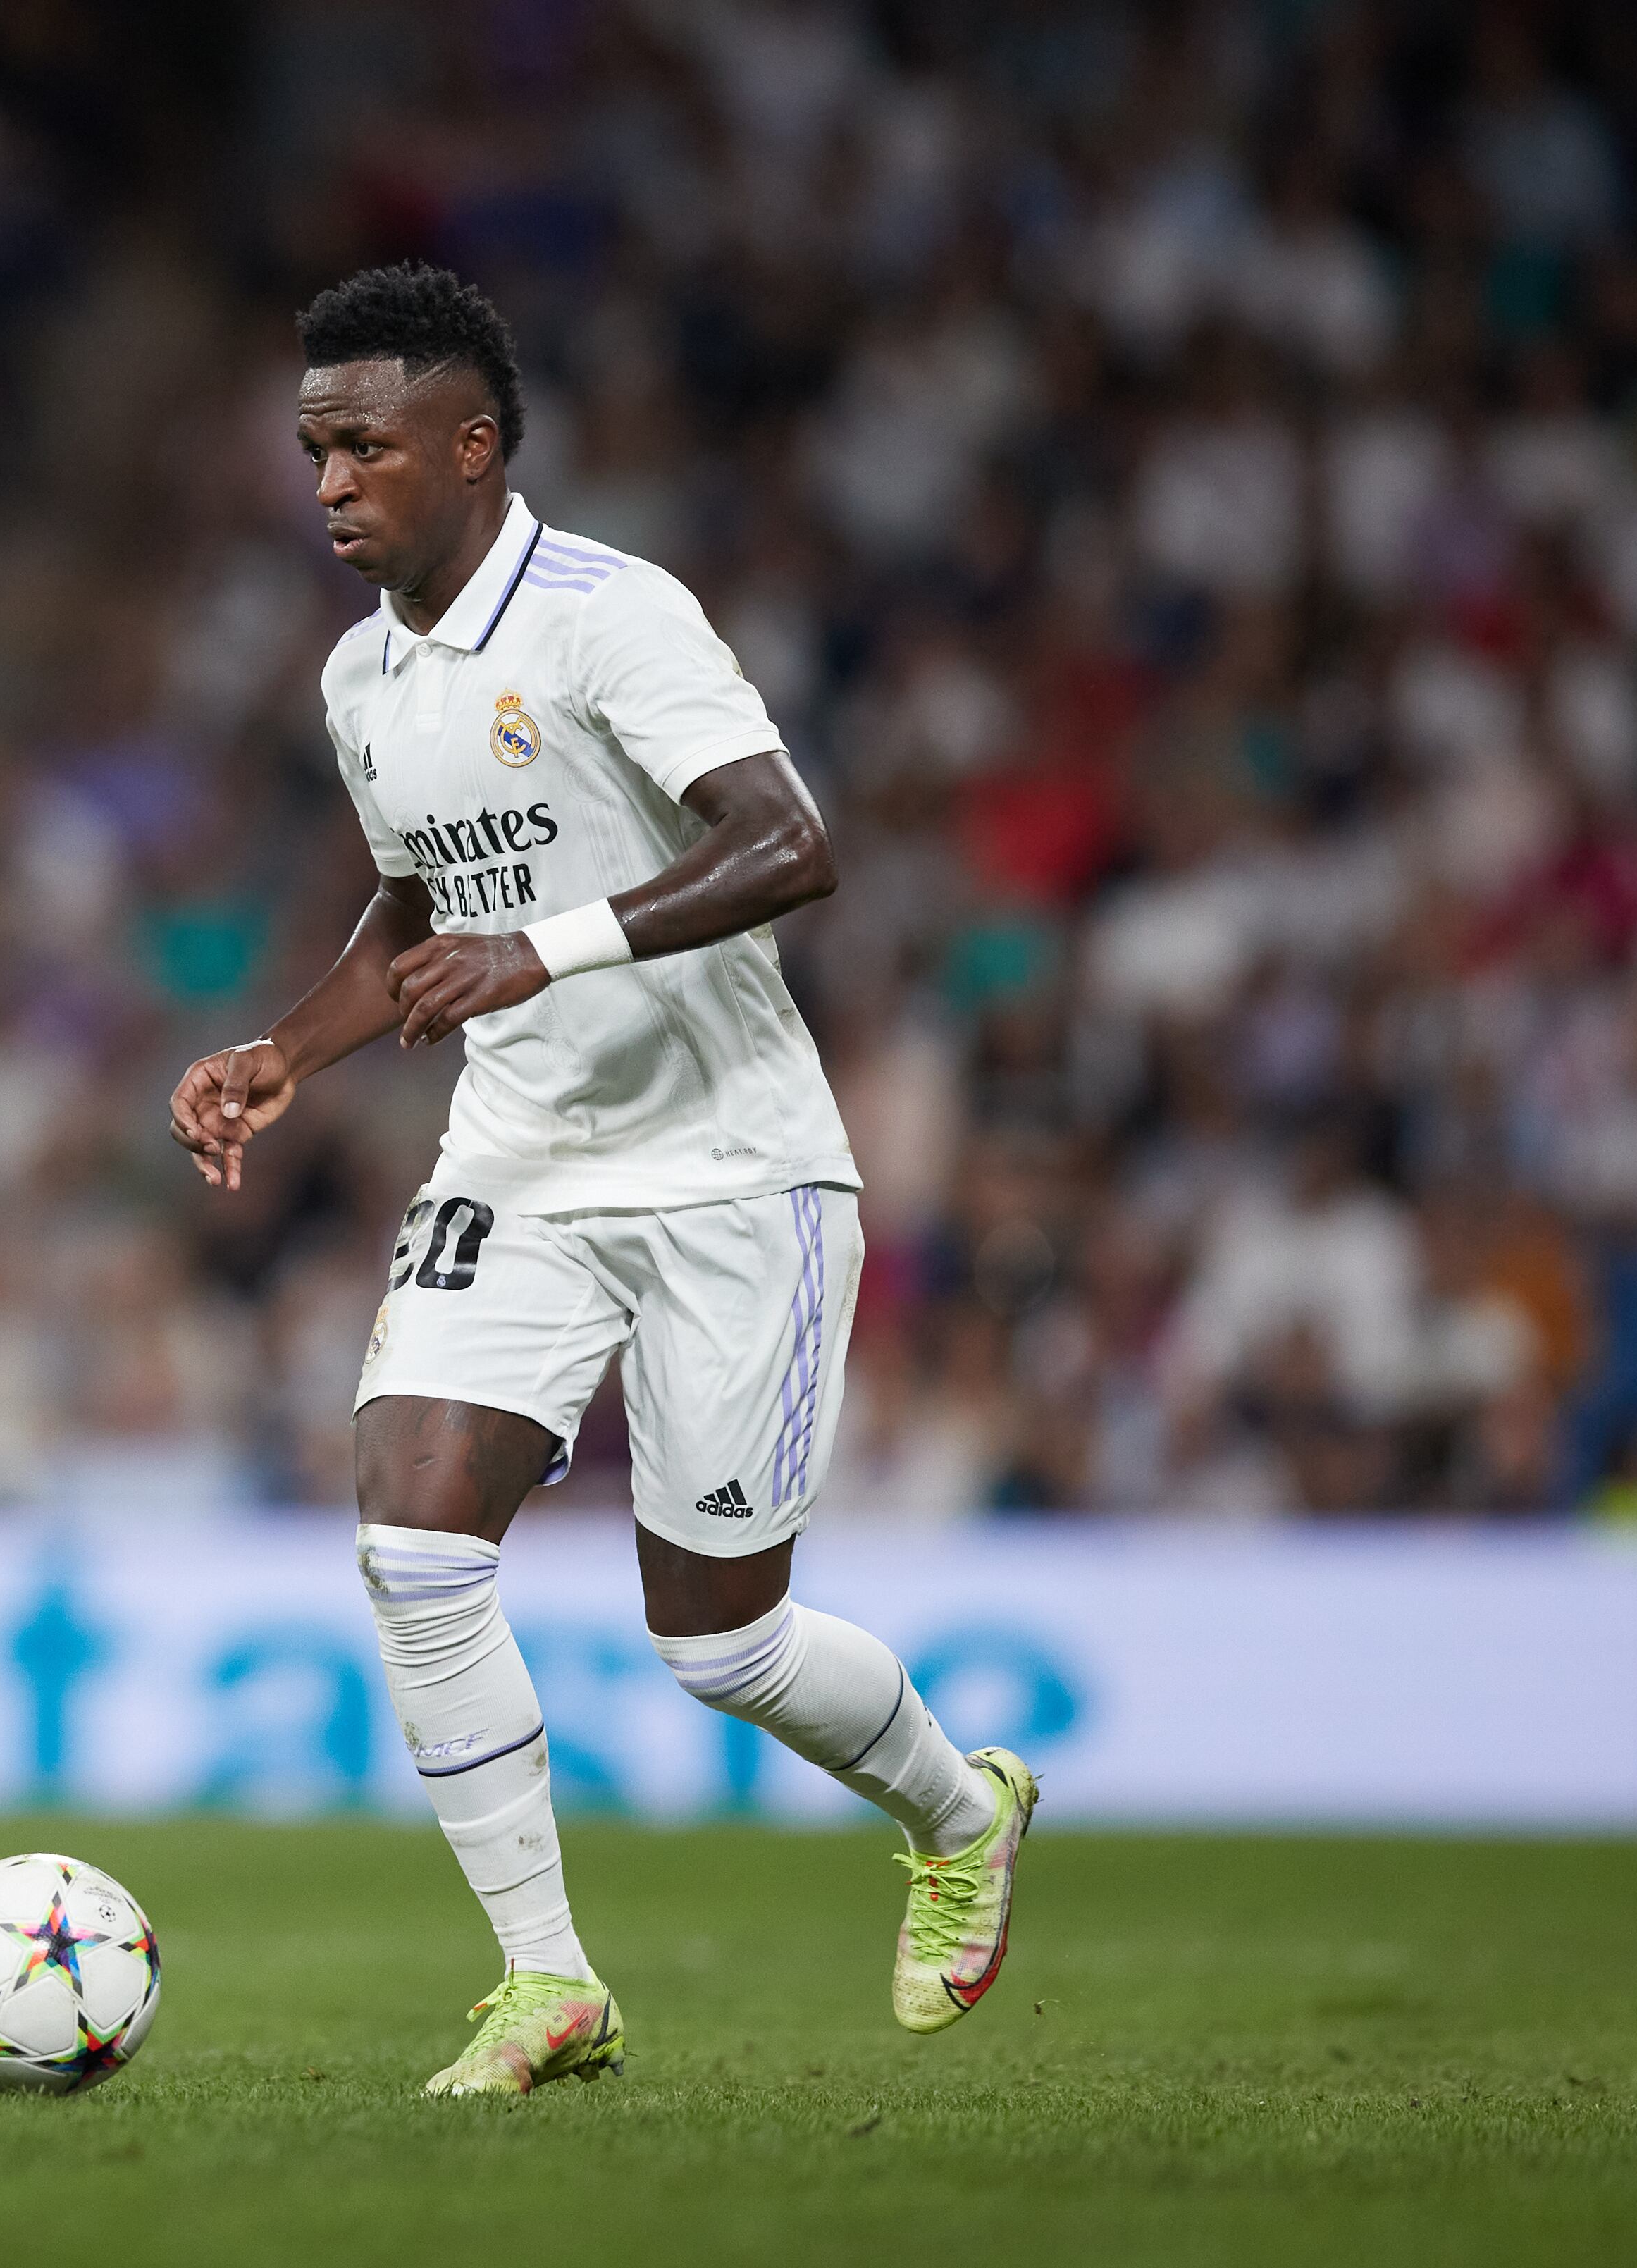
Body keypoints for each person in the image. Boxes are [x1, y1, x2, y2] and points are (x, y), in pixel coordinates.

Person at [166, 264, 1038, 2098]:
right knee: (410, 1534)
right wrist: (286, 1052)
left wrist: (544, 950)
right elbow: (415, 902)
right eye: (311, 448)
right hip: (524, 1155)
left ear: (470, 447)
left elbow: (788, 841)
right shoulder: (360, 676)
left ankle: (962, 1811)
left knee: (717, 1646)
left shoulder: (607, 617)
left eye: (363, 447)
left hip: (730, 1165)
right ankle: (545, 1978)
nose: (326, 483)